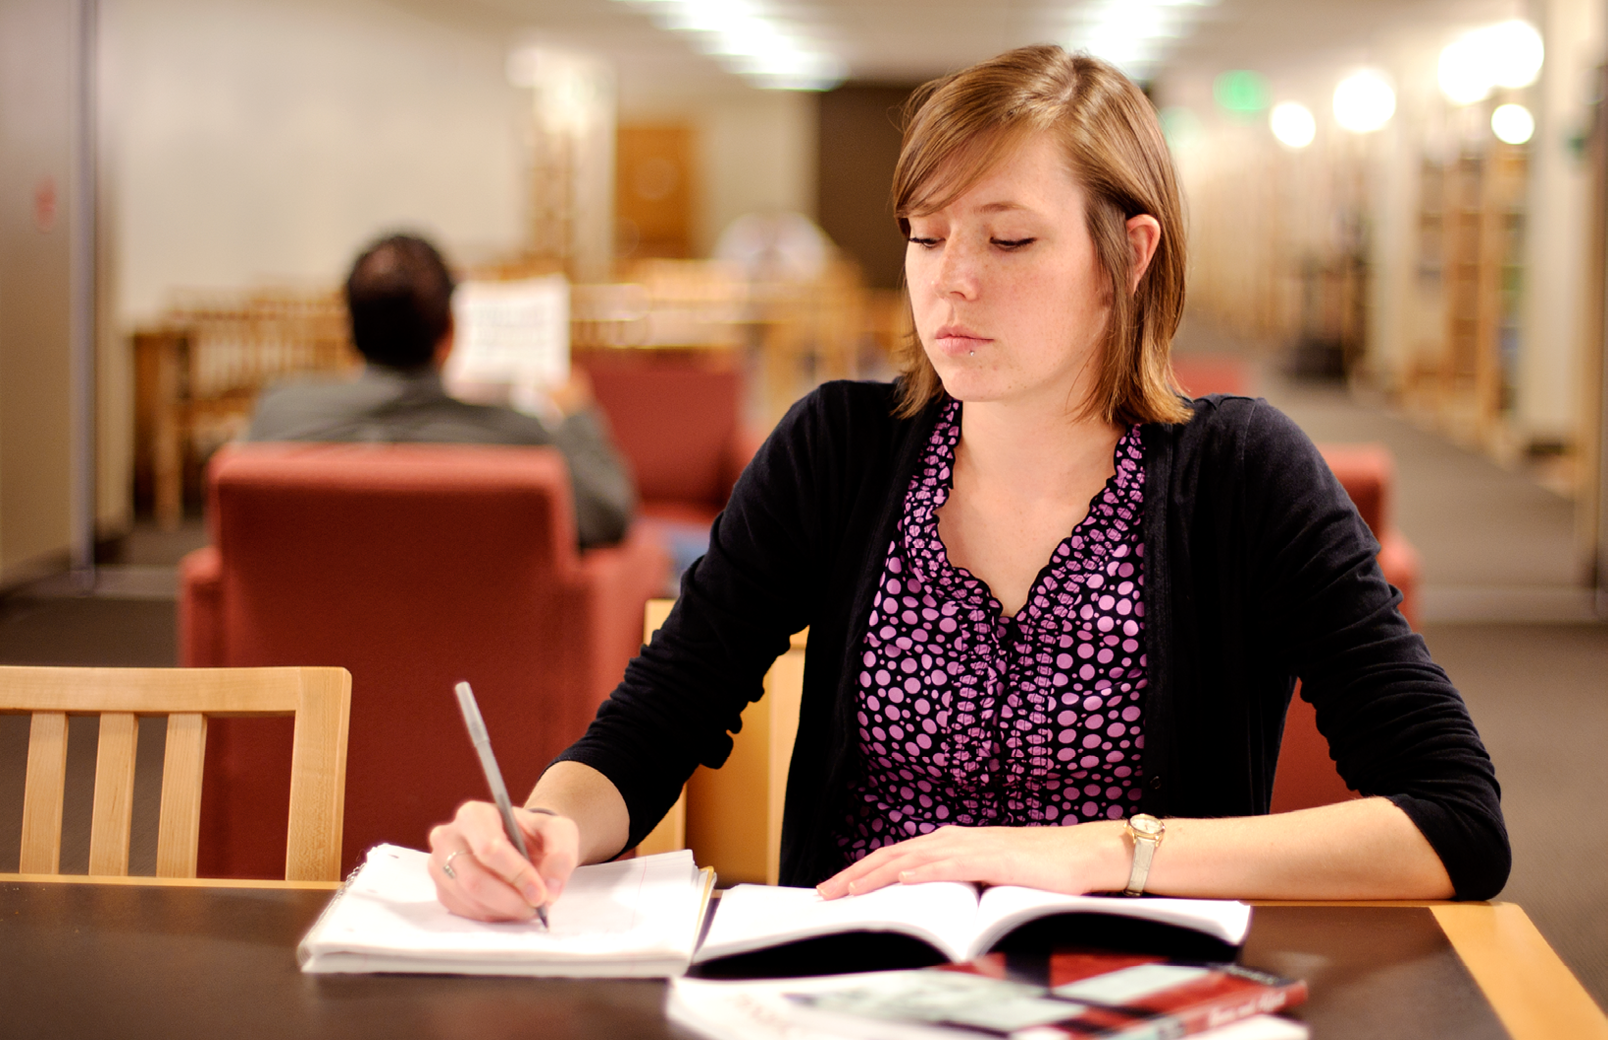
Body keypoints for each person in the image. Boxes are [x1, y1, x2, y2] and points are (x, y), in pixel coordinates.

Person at [427, 46, 1509, 923]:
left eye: (1010, 238)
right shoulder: (840, 452)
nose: (952, 279)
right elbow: (652, 725)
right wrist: (549, 822)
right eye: (926, 235)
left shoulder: (1239, 475)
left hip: (1123, 986)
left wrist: (1104, 854)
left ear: (1128, 256)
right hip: (851, 983)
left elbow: (1456, 822)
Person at [245, 233, 635, 549]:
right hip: (484, 643)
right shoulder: (519, 438)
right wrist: (576, 415)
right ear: (450, 332)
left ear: (350, 332)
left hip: (311, 639)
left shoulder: (278, 419)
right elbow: (606, 514)